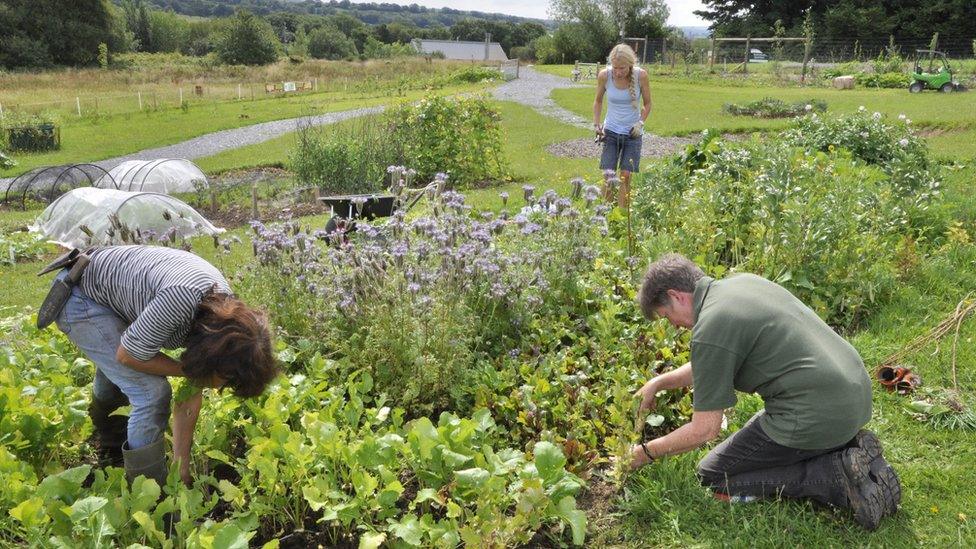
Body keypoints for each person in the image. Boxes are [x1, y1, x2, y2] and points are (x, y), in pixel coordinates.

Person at [628, 253, 901, 530]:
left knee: (713, 474)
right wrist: (658, 383)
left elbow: (704, 431)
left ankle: (835, 475)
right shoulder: (740, 285)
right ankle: (850, 448)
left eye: (666, 316)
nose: (673, 326)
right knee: (756, 440)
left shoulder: (711, 326)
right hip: (853, 393)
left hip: (817, 411)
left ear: (677, 296)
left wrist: (643, 454)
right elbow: (712, 359)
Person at [50, 245, 279, 487]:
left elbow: (189, 397)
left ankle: (110, 449)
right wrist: (189, 370)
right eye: (225, 380)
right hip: (81, 296)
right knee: (151, 393)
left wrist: (182, 466)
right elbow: (128, 355)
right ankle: (146, 490)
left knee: (121, 378)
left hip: (113, 296)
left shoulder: (223, 324)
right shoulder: (182, 302)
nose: (220, 386)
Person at [592, 44, 651, 210]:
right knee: (608, 175)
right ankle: (604, 213)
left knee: (625, 176)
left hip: (633, 134)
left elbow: (647, 103)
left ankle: (623, 215)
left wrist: (640, 123)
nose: (618, 72)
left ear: (630, 64)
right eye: (615, 67)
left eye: (622, 68)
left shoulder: (641, 76)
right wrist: (597, 125)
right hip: (610, 131)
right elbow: (597, 101)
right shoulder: (605, 75)